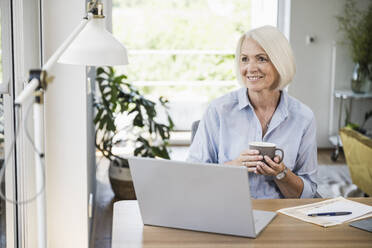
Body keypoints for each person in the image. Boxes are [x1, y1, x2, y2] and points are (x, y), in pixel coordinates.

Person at [187, 25, 317, 199]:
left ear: (280, 62)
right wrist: (234, 167)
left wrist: (282, 174)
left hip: (280, 215)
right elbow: (193, 176)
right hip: (227, 210)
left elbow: (308, 193)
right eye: (244, 59)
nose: (251, 68)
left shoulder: (303, 117)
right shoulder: (218, 110)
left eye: (261, 59)